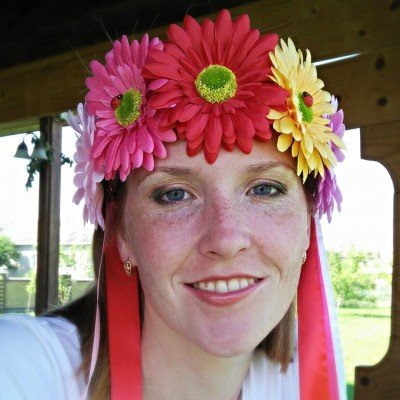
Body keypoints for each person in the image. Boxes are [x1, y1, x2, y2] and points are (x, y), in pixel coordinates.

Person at [0, 9, 347, 400]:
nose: (227, 238)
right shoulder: (19, 367)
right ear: (121, 231)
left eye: (265, 189)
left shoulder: (301, 373)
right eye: (174, 194)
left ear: (308, 223)